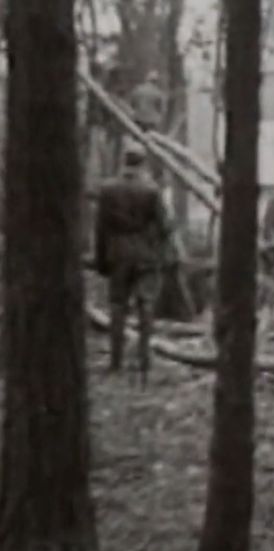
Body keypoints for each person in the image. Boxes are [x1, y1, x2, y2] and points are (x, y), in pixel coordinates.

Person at [93, 146, 174, 385]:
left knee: (117, 306)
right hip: (145, 254)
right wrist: (159, 248)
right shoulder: (151, 190)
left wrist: (100, 260)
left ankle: (115, 362)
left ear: (123, 162)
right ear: (143, 164)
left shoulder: (107, 190)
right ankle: (144, 361)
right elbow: (165, 227)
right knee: (145, 304)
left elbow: (100, 228)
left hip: (117, 254)